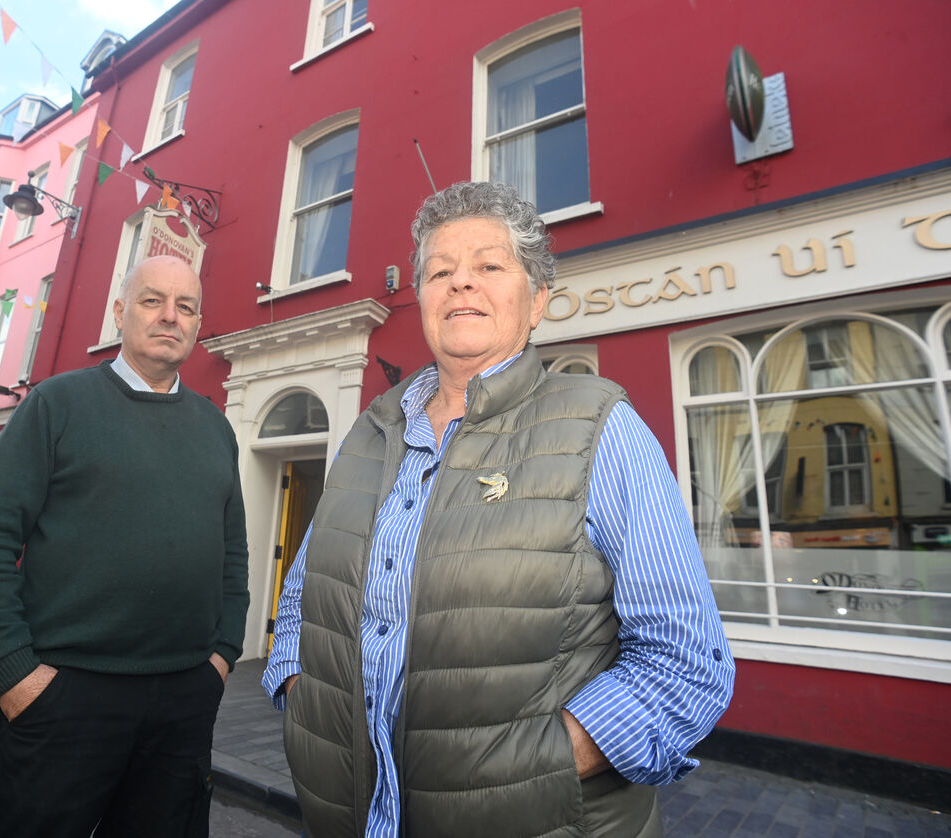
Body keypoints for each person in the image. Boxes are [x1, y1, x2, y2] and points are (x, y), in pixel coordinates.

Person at [263, 182, 735, 837]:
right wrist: (302, 703)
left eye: (488, 265)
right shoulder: (368, 434)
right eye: (440, 272)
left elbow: (684, 661)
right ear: (421, 298)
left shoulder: (600, 427)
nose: (461, 283)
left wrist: (540, 768)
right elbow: (303, 597)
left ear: (536, 299)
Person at [0, 255, 250, 838]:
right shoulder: (57, 404)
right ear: (120, 312)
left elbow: (232, 552)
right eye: (152, 300)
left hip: (184, 699)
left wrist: (221, 655)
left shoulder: (215, 426)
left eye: (186, 306)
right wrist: (14, 676)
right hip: (64, 696)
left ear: (197, 323)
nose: (170, 316)